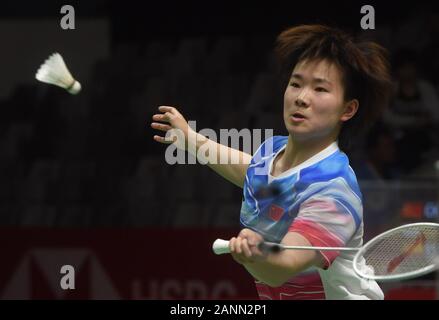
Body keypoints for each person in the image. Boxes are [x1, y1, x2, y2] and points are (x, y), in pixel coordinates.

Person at [151, 25, 392, 300]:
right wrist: (191, 140)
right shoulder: (274, 152)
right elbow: (254, 173)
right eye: (296, 83)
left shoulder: (334, 191)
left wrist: (257, 253)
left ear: (347, 109)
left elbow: (282, 268)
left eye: (320, 88)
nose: (301, 98)